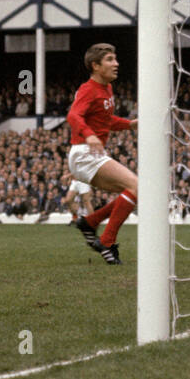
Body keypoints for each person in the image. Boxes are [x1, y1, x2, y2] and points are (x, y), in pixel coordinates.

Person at [65, 43, 138, 265]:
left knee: (133, 190)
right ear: (95, 66)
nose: (116, 64)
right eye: (109, 59)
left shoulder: (107, 89)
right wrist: (89, 135)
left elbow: (105, 121)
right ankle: (106, 240)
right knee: (137, 186)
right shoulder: (88, 89)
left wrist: (130, 124)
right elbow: (73, 116)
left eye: (115, 59)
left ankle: (91, 222)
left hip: (91, 152)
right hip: (84, 152)